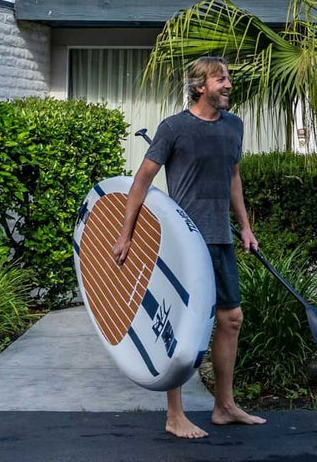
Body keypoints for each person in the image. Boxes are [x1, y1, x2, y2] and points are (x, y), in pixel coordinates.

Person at [111, 55, 266, 439]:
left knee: (231, 319)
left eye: (228, 78)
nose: (228, 85)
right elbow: (142, 181)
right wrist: (126, 234)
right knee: (181, 328)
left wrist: (245, 227)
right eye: (220, 79)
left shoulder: (234, 127)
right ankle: (174, 414)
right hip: (182, 242)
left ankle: (224, 406)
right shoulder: (174, 128)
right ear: (200, 87)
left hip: (221, 238)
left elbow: (233, 177)